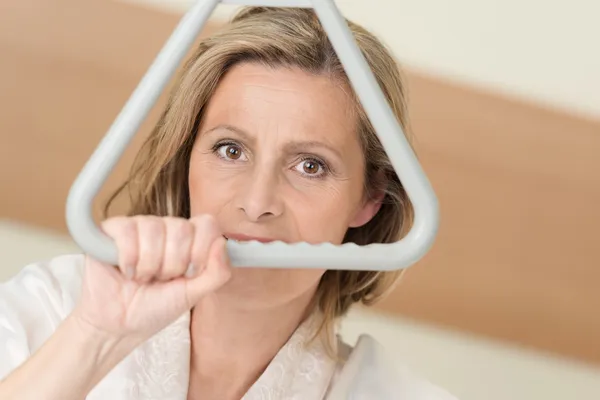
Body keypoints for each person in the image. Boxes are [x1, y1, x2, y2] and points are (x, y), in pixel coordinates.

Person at [0, 7, 456, 400]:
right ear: (185, 162)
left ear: (370, 198)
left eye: (311, 166)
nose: (258, 204)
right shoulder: (49, 312)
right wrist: (96, 337)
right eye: (231, 151)